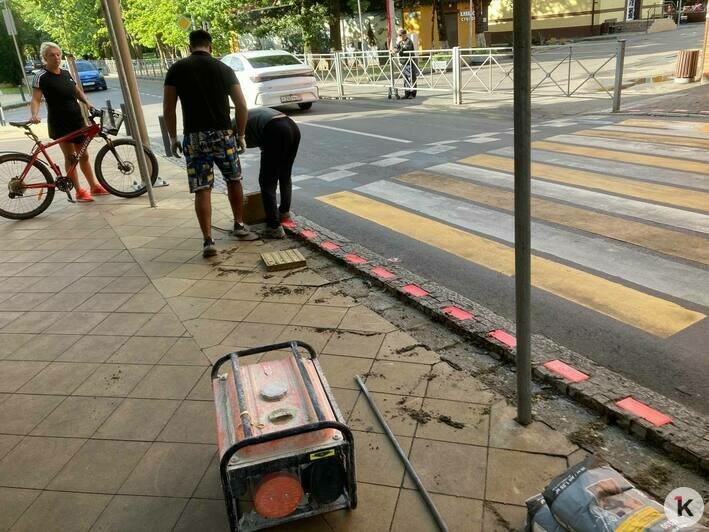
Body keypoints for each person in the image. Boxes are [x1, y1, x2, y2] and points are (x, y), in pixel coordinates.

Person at [163, 29, 257, 258]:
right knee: (234, 180)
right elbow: (242, 105)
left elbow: (168, 108)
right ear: (210, 47)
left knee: (202, 188)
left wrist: (173, 137)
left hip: (195, 138)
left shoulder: (177, 69)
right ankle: (239, 225)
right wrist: (241, 135)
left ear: (189, 47)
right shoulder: (223, 68)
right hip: (224, 136)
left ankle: (208, 241)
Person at [30, 42, 108, 202]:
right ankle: (79, 191)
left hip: (76, 120)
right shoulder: (41, 76)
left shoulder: (65, 73)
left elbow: (76, 91)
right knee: (71, 157)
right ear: (45, 57)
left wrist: (87, 103)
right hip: (60, 123)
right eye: (52, 55)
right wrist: (34, 114)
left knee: (83, 155)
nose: (56, 57)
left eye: (58, 54)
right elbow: (36, 99)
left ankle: (94, 186)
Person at [240, 107, 300, 239]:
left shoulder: (231, 130)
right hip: (292, 126)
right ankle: (284, 213)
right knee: (284, 175)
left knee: (267, 182)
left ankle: (274, 227)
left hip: (275, 129)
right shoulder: (242, 120)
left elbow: (235, 152)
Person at [392, 29, 417, 99]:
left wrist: (398, 51)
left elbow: (406, 49)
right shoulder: (400, 42)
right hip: (403, 63)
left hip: (410, 62)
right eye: (399, 35)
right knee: (405, 78)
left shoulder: (409, 42)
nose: (400, 37)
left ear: (405, 35)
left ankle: (413, 93)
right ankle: (407, 93)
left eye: (400, 35)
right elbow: (396, 48)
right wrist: (394, 50)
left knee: (411, 78)